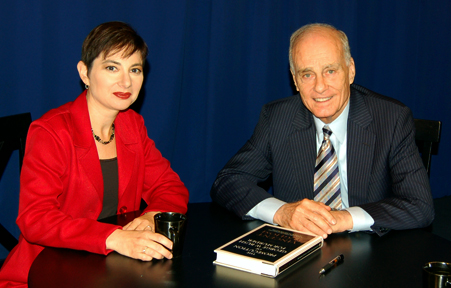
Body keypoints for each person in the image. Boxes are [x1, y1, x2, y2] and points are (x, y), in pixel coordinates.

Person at [0, 21, 189, 287]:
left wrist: (150, 217)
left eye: (135, 69)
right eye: (112, 67)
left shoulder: (132, 125)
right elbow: (35, 218)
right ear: (85, 73)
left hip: (110, 271)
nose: (126, 81)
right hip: (47, 272)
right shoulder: (50, 131)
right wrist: (113, 237)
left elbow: (171, 188)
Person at [210, 23, 434, 239]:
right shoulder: (277, 119)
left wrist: (343, 219)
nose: (319, 87)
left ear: (351, 70)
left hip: (372, 252)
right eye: (307, 74)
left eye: (330, 71)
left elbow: (420, 205)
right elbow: (228, 180)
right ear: (295, 80)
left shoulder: (391, 119)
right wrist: (282, 212)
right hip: (299, 254)